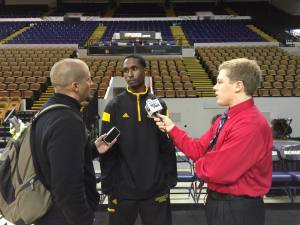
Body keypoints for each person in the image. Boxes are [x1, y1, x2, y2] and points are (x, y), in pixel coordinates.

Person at [154, 58, 273, 225]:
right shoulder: (226, 117)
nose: (214, 87)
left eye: (219, 82)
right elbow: (198, 149)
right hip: (220, 203)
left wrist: (201, 163)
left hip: (239, 208)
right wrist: (172, 128)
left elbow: (216, 171)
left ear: (238, 86)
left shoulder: (250, 124)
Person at [32, 58, 115, 225]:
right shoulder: (67, 121)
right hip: (64, 217)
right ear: (75, 86)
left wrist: (92, 149)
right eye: (88, 79)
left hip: (52, 213)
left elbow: (57, 159)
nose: (91, 83)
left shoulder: (48, 111)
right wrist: (84, 219)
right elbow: (67, 188)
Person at [99, 55, 177, 225]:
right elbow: (106, 149)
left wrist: (170, 177)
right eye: (125, 70)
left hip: (155, 190)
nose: (129, 74)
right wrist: (108, 184)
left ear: (145, 71)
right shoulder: (113, 107)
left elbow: (166, 144)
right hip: (122, 191)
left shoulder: (160, 105)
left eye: (134, 69)